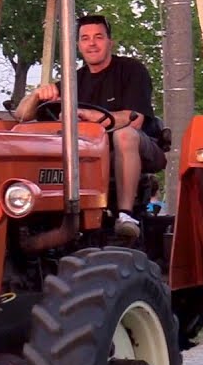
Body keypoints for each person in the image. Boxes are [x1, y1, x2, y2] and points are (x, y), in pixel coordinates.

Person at [15, 15, 166, 239]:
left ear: (110, 42)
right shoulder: (73, 81)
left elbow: (134, 120)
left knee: (124, 135)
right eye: (85, 38)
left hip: (138, 146)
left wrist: (89, 116)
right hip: (88, 154)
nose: (92, 43)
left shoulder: (131, 70)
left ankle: (125, 215)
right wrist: (37, 95)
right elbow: (21, 115)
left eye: (98, 37)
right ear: (78, 45)